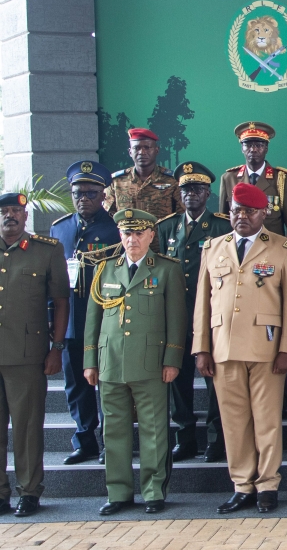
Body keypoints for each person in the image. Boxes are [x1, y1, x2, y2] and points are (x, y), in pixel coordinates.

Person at [193, 182, 287, 514]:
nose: (242, 216)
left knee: (267, 421)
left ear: (264, 214)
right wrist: (201, 347)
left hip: (266, 349)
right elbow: (203, 303)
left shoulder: (283, 248)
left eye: (250, 211)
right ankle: (242, 484)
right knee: (233, 422)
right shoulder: (212, 248)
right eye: (237, 210)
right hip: (223, 347)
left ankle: (268, 484)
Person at [84, 209, 185, 515]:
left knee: (153, 430)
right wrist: (90, 360)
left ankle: (153, 491)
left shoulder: (166, 269)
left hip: (150, 362)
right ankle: (118, 492)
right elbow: (93, 320)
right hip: (111, 362)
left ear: (152, 236)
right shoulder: (105, 269)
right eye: (127, 234)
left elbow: (176, 320)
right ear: (120, 236)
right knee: (113, 430)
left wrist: (172, 359)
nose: (132, 240)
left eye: (139, 233)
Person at [155, 162, 231, 463]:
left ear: (208, 192)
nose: (191, 195)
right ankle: (185, 437)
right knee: (178, 380)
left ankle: (215, 438)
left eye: (197, 189)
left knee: (215, 380)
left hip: (212, 316)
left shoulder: (221, 226)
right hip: (175, 317)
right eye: (186, 189)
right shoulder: (166, 227)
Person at [0, 192, 69, 517]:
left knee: (27, 428)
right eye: (4, 211)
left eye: (15, 210)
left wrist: (56, 347)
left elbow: (61, 301)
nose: (9, 216)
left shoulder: (46, 250)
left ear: (26, 216)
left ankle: (29, 491)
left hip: (27, 355)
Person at [52, 161, 121, 465]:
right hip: (70, 322)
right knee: (75, 385)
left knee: (108, 385)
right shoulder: (60, 228)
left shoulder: (117, 229)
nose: (83, 199)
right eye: (77, 193)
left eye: (91, 193)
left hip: (105, 321)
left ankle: (111, 442)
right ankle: (84, 440)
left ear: (103, 195)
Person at [217, 121, 287, 236]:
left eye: (259, 145)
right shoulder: (228, 179)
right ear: (242, 148)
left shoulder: (283, 180)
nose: (253, 149)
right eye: (248, 144)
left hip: (271, 248)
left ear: (266, 148)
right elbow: (223, 224)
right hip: (239, 249)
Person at [106, 128, 181, 221]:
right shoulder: (116, 181)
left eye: (147, 147)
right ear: (130, 152)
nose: (142, 152)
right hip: (128, 235)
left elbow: (181, 216)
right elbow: (108, 216)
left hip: (160, 235)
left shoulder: (173, 180)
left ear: (156, 150)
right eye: (137, 148)